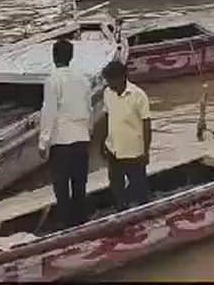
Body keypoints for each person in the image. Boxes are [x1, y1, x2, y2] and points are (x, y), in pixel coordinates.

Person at [39, 38, 93, 229]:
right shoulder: (83, 79)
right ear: (71, 56)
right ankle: (81, 221)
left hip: (61, 141)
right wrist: (89, 131)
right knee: (79, 183)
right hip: (81, 138)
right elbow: (89, 109)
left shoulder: (52, 80)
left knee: (61, 186)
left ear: (54, 57)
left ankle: (65, 223)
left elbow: (49, 112)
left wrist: (43, 142)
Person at [94, 60, 151, 210]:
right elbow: (107, 118)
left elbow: (146, 124)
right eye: (108, 81)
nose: (110, 85)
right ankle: (121, 209)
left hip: (134, 152)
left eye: (111, 81)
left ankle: (143, 213)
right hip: (114, 149)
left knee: (139, 189)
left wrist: (146, 151)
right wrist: (102, 143)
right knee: (116, 187)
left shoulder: (138, 96)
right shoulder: (107, 93)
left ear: (122, 77)